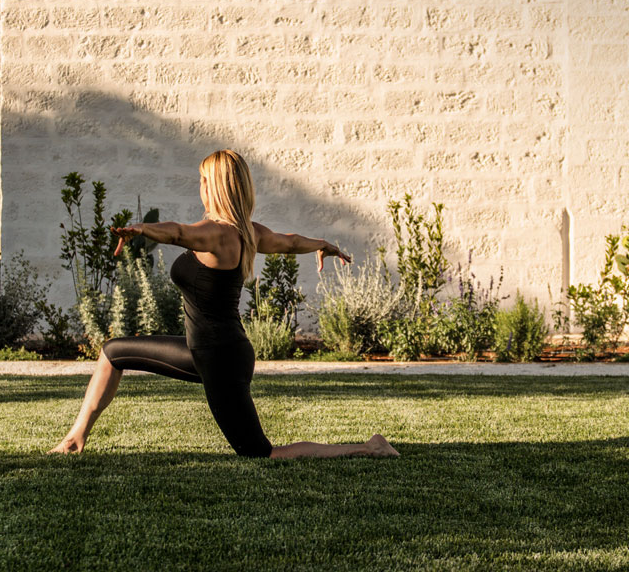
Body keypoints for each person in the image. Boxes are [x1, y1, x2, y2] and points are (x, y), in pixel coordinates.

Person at [49, 150, 399, 459]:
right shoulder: (249, 231)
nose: (199, 186)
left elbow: (178, 233)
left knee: (260, 452)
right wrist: (322, 243)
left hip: (220, 358)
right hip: (208, 350)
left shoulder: (217, 232)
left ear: (215, 186)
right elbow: (290, 242)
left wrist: (142, 230)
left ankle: (369, 448)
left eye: (203, 180)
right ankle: (74, 438)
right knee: (113, 353)